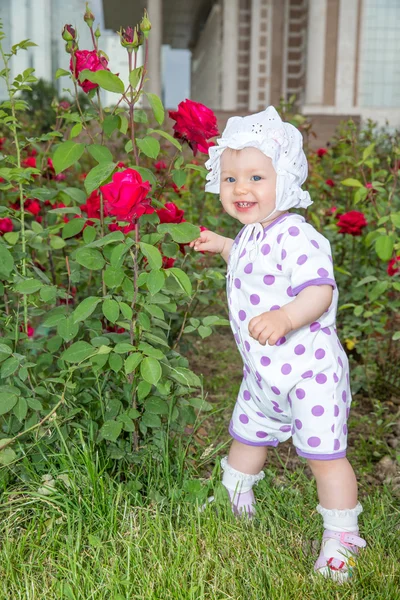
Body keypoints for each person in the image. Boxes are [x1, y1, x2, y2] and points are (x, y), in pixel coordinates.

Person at [190, 106, 366, 582]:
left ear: (284, 181)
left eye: (254, 177)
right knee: (247, 436)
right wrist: (222, 244)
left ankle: (342, 536)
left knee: (324, 456)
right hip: (263, 372)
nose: (240, 189)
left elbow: (318, 290)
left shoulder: (299, 237)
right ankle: (235, 497)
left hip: (310, 372)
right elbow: (247, 256)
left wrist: (287, 316)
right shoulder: (251, 234)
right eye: (229, 179)